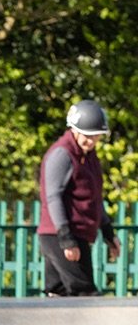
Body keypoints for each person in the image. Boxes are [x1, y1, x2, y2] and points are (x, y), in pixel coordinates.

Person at [37, 99, 120, 297]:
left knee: (60, 293)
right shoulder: (62, 154)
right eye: (86, 136)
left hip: (78, 235)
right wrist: (66, 238)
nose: (91, 141)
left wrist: (108, 233)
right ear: (74, 130)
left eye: (96, 136)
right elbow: (53, 197)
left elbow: (94, 199)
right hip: (60, 234)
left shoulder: (89, 157)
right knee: (85, 293)